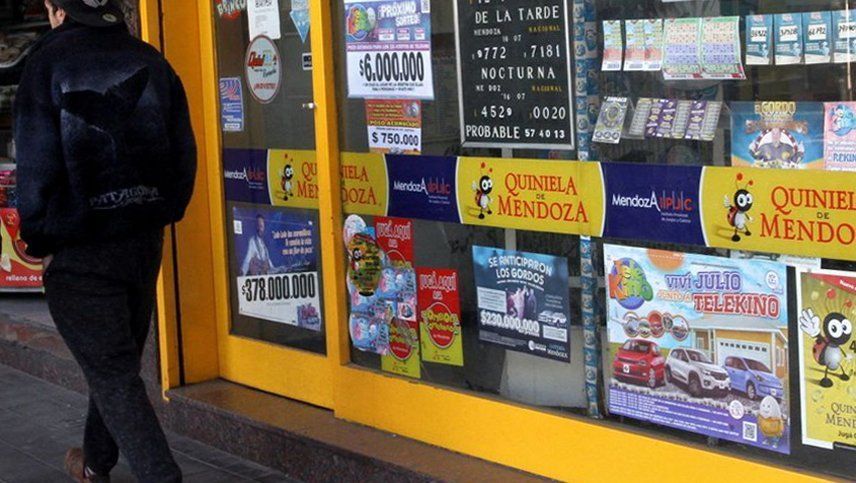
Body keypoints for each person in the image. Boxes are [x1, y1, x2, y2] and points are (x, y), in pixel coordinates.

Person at [14, 1, 196, 482]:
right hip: (143, 240)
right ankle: (95, 463)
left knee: (113, 371)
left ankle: (162, 476)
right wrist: (163, 209)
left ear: (57, 11)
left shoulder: (46, 64)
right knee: (115, 363)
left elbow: (35, 164)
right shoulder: (149, 59)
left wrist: (38, 235)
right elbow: (184, 151)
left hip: (80, 247)